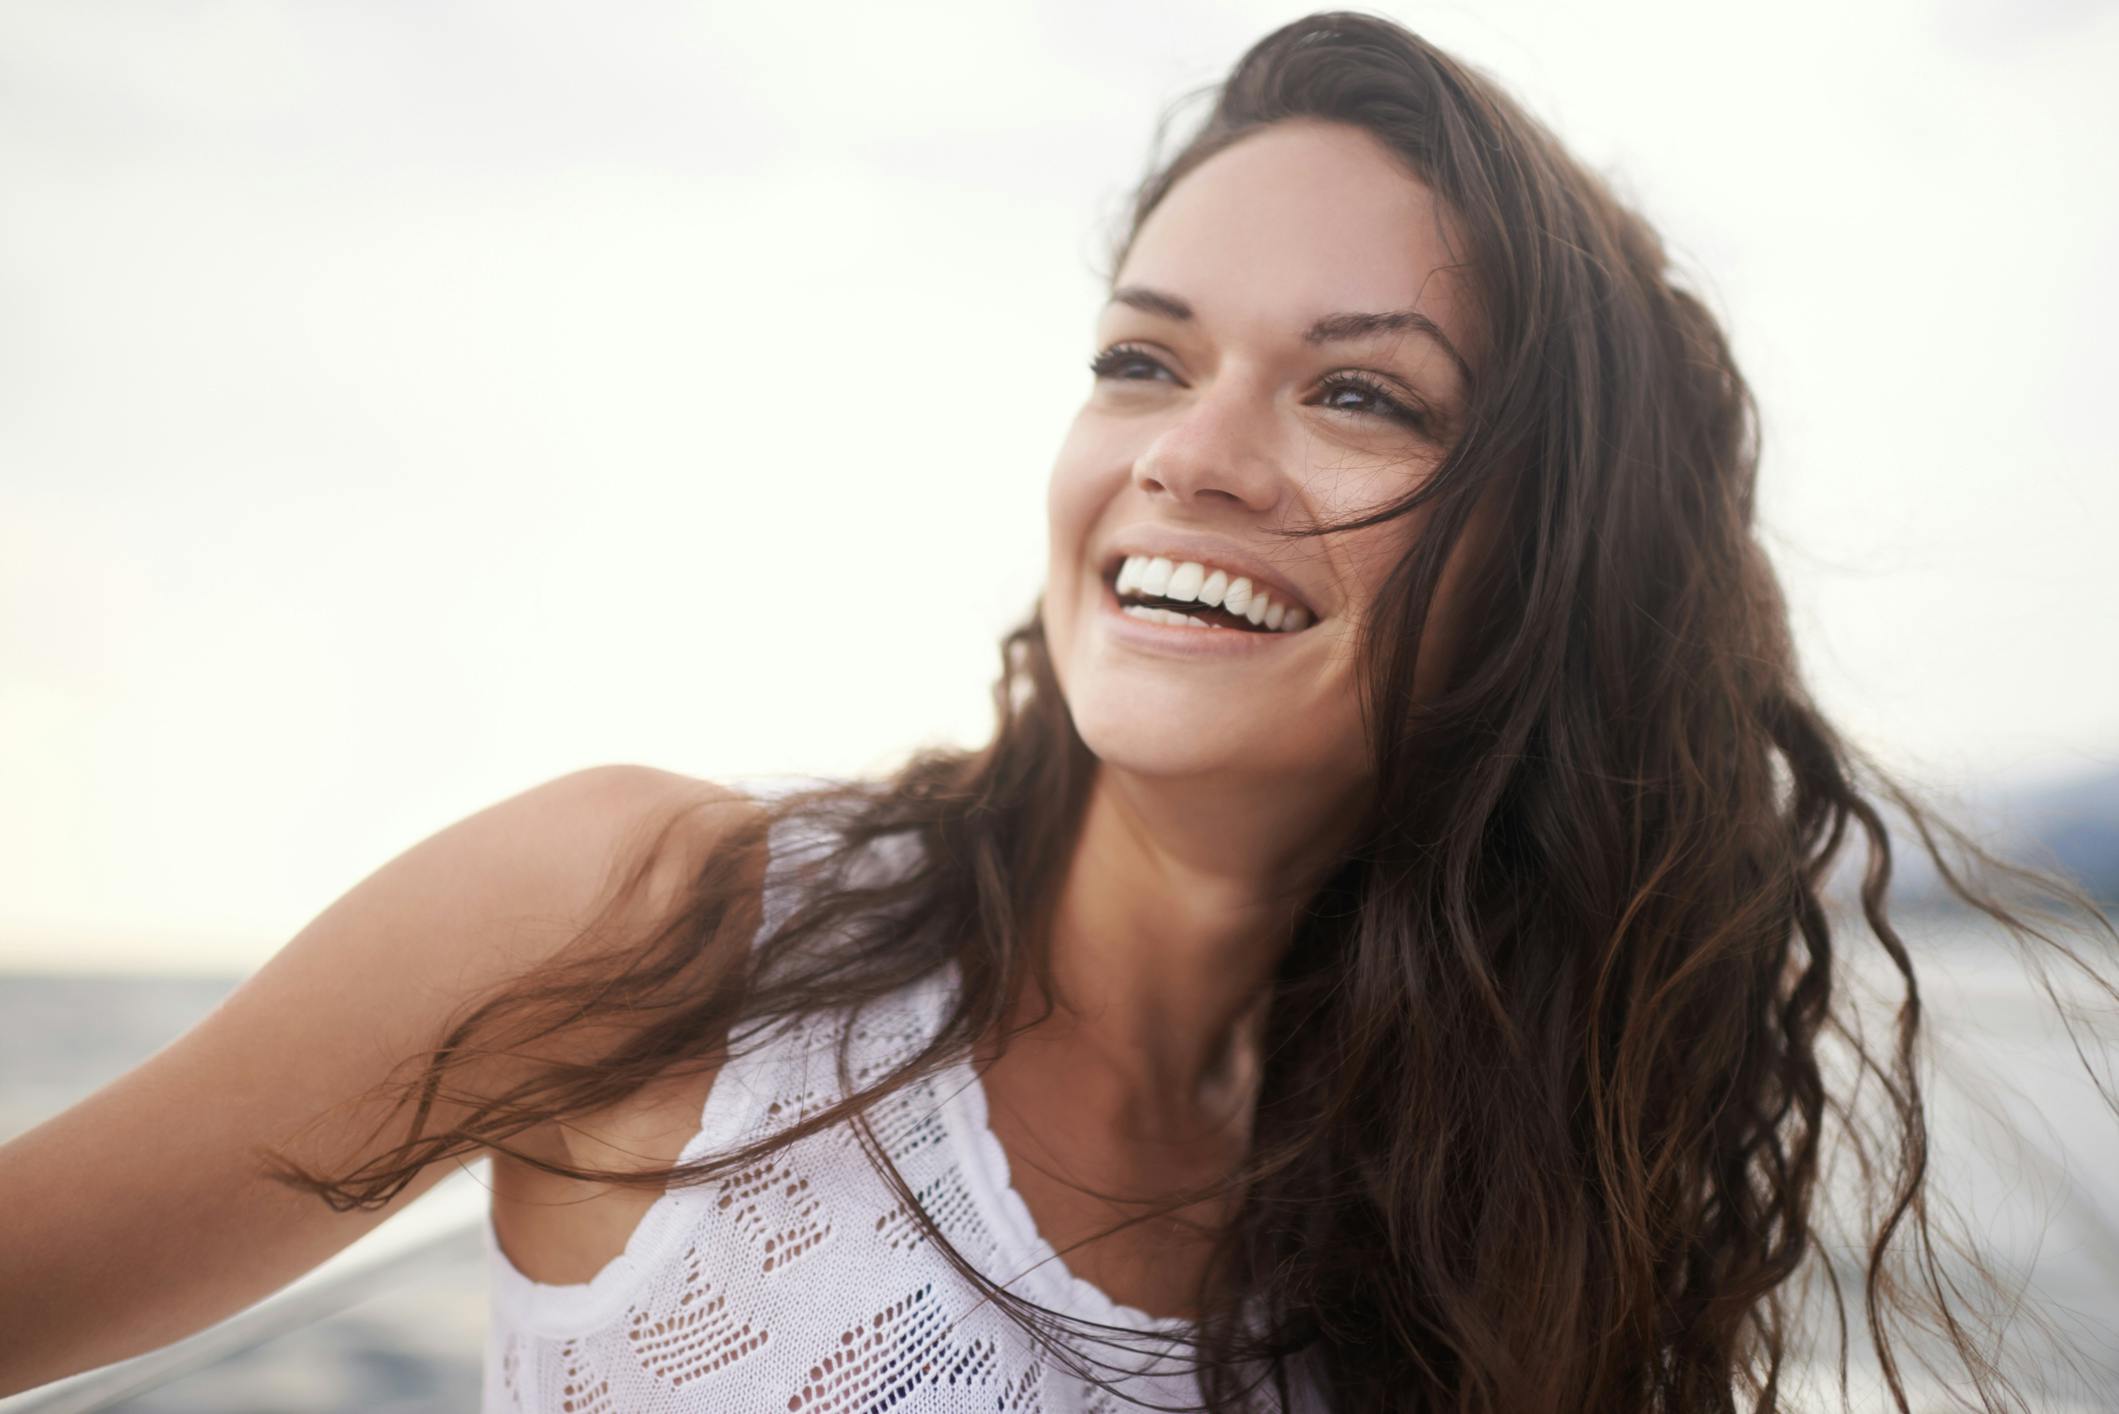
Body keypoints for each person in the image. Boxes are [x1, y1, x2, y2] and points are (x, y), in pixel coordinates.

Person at [2, 11, 2112, 1412]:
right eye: (1142, 358)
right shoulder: (652, 921)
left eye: (1359, 391)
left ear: (1545, 567)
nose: (1191, 453)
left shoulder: (1488, 1220)